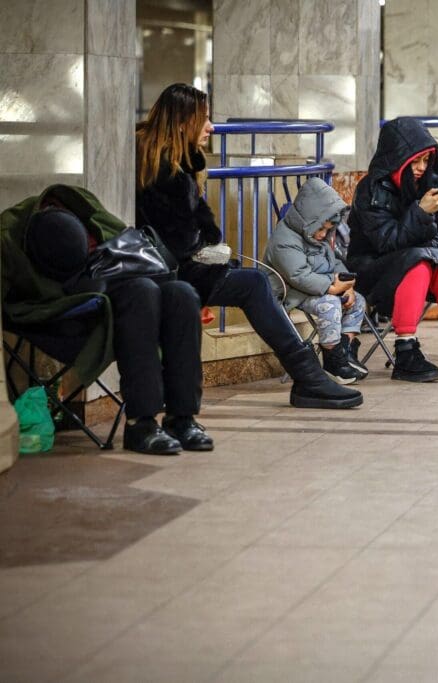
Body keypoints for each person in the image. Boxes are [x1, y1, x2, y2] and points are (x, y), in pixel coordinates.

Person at [136, 83, 362, 410]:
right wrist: (212, 256)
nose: (211, 128)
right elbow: (181, 239)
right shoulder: (164, 168)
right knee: (254, 283)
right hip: (163, 271)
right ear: (183, 122)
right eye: (205, 119)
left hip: (169, 266)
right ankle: (309, 377)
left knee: (250, 282)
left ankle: (309, 377)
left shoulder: (165, 159)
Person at [2, 186, 209, 455]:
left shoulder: (80, 208)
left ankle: (182, 418)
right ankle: (141, 423)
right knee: (142, 294)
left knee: (182, 294)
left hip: (107, 280)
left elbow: (125, 241)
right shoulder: (8, 234)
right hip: (61, 311)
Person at [348, 117, 438, 383]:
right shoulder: (371, 190)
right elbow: (386, 242)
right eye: (416, 161)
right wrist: (421, 213)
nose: (422, 168)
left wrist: (432, 251)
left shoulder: (433, 183)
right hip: (373, 269)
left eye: (426, 160)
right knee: (418, 263)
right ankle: (406, 350)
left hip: (415, 262)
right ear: (398, 158)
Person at [263, 177, 369, 384]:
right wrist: (331, 288)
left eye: (328, 229)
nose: (323, 234)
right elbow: (298, 276)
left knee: (358, 301)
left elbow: (334, 263)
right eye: (320, 228)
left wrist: (347, 286)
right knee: (329, 305)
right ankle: (332, 359)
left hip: (319, 286)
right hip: (292, 292)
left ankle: (342, 351)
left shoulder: (316, 238)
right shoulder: (284, 240)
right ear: (307, 219)